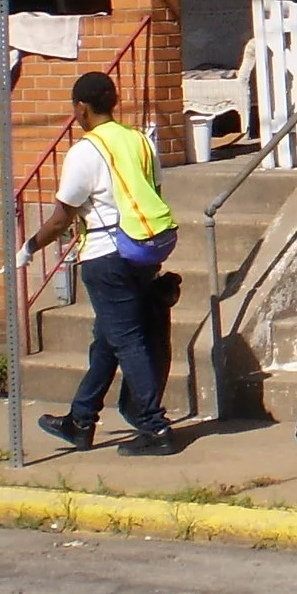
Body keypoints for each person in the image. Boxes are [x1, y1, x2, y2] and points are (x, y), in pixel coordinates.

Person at [21, 71, 179, 456]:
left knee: (125, 339)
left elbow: (62, 218)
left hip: (106, 257)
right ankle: (80, 420)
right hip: (142, 250)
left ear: (81, 108)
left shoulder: (85, 151)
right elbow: (154, 189)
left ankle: (155, 427)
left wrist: (30, 246)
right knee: (107, 341)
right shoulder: (140, 141)